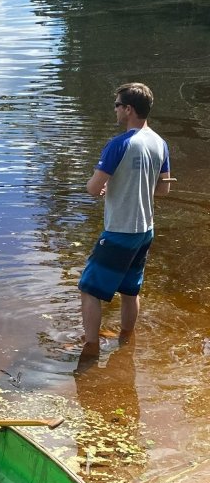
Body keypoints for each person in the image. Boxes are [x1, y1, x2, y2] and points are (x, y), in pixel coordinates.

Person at [79, 83, 173, 360]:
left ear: (128, 109)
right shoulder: (160, 143)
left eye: (118, 105)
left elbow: (94, 189)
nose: (116, 110)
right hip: (145, 230)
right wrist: (128, 186)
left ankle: (91, 348)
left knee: (88, 288)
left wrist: (103, 187)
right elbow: (163, 189)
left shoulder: (118, 144)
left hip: (120, 230)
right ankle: (125, 341)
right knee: (130, 290)